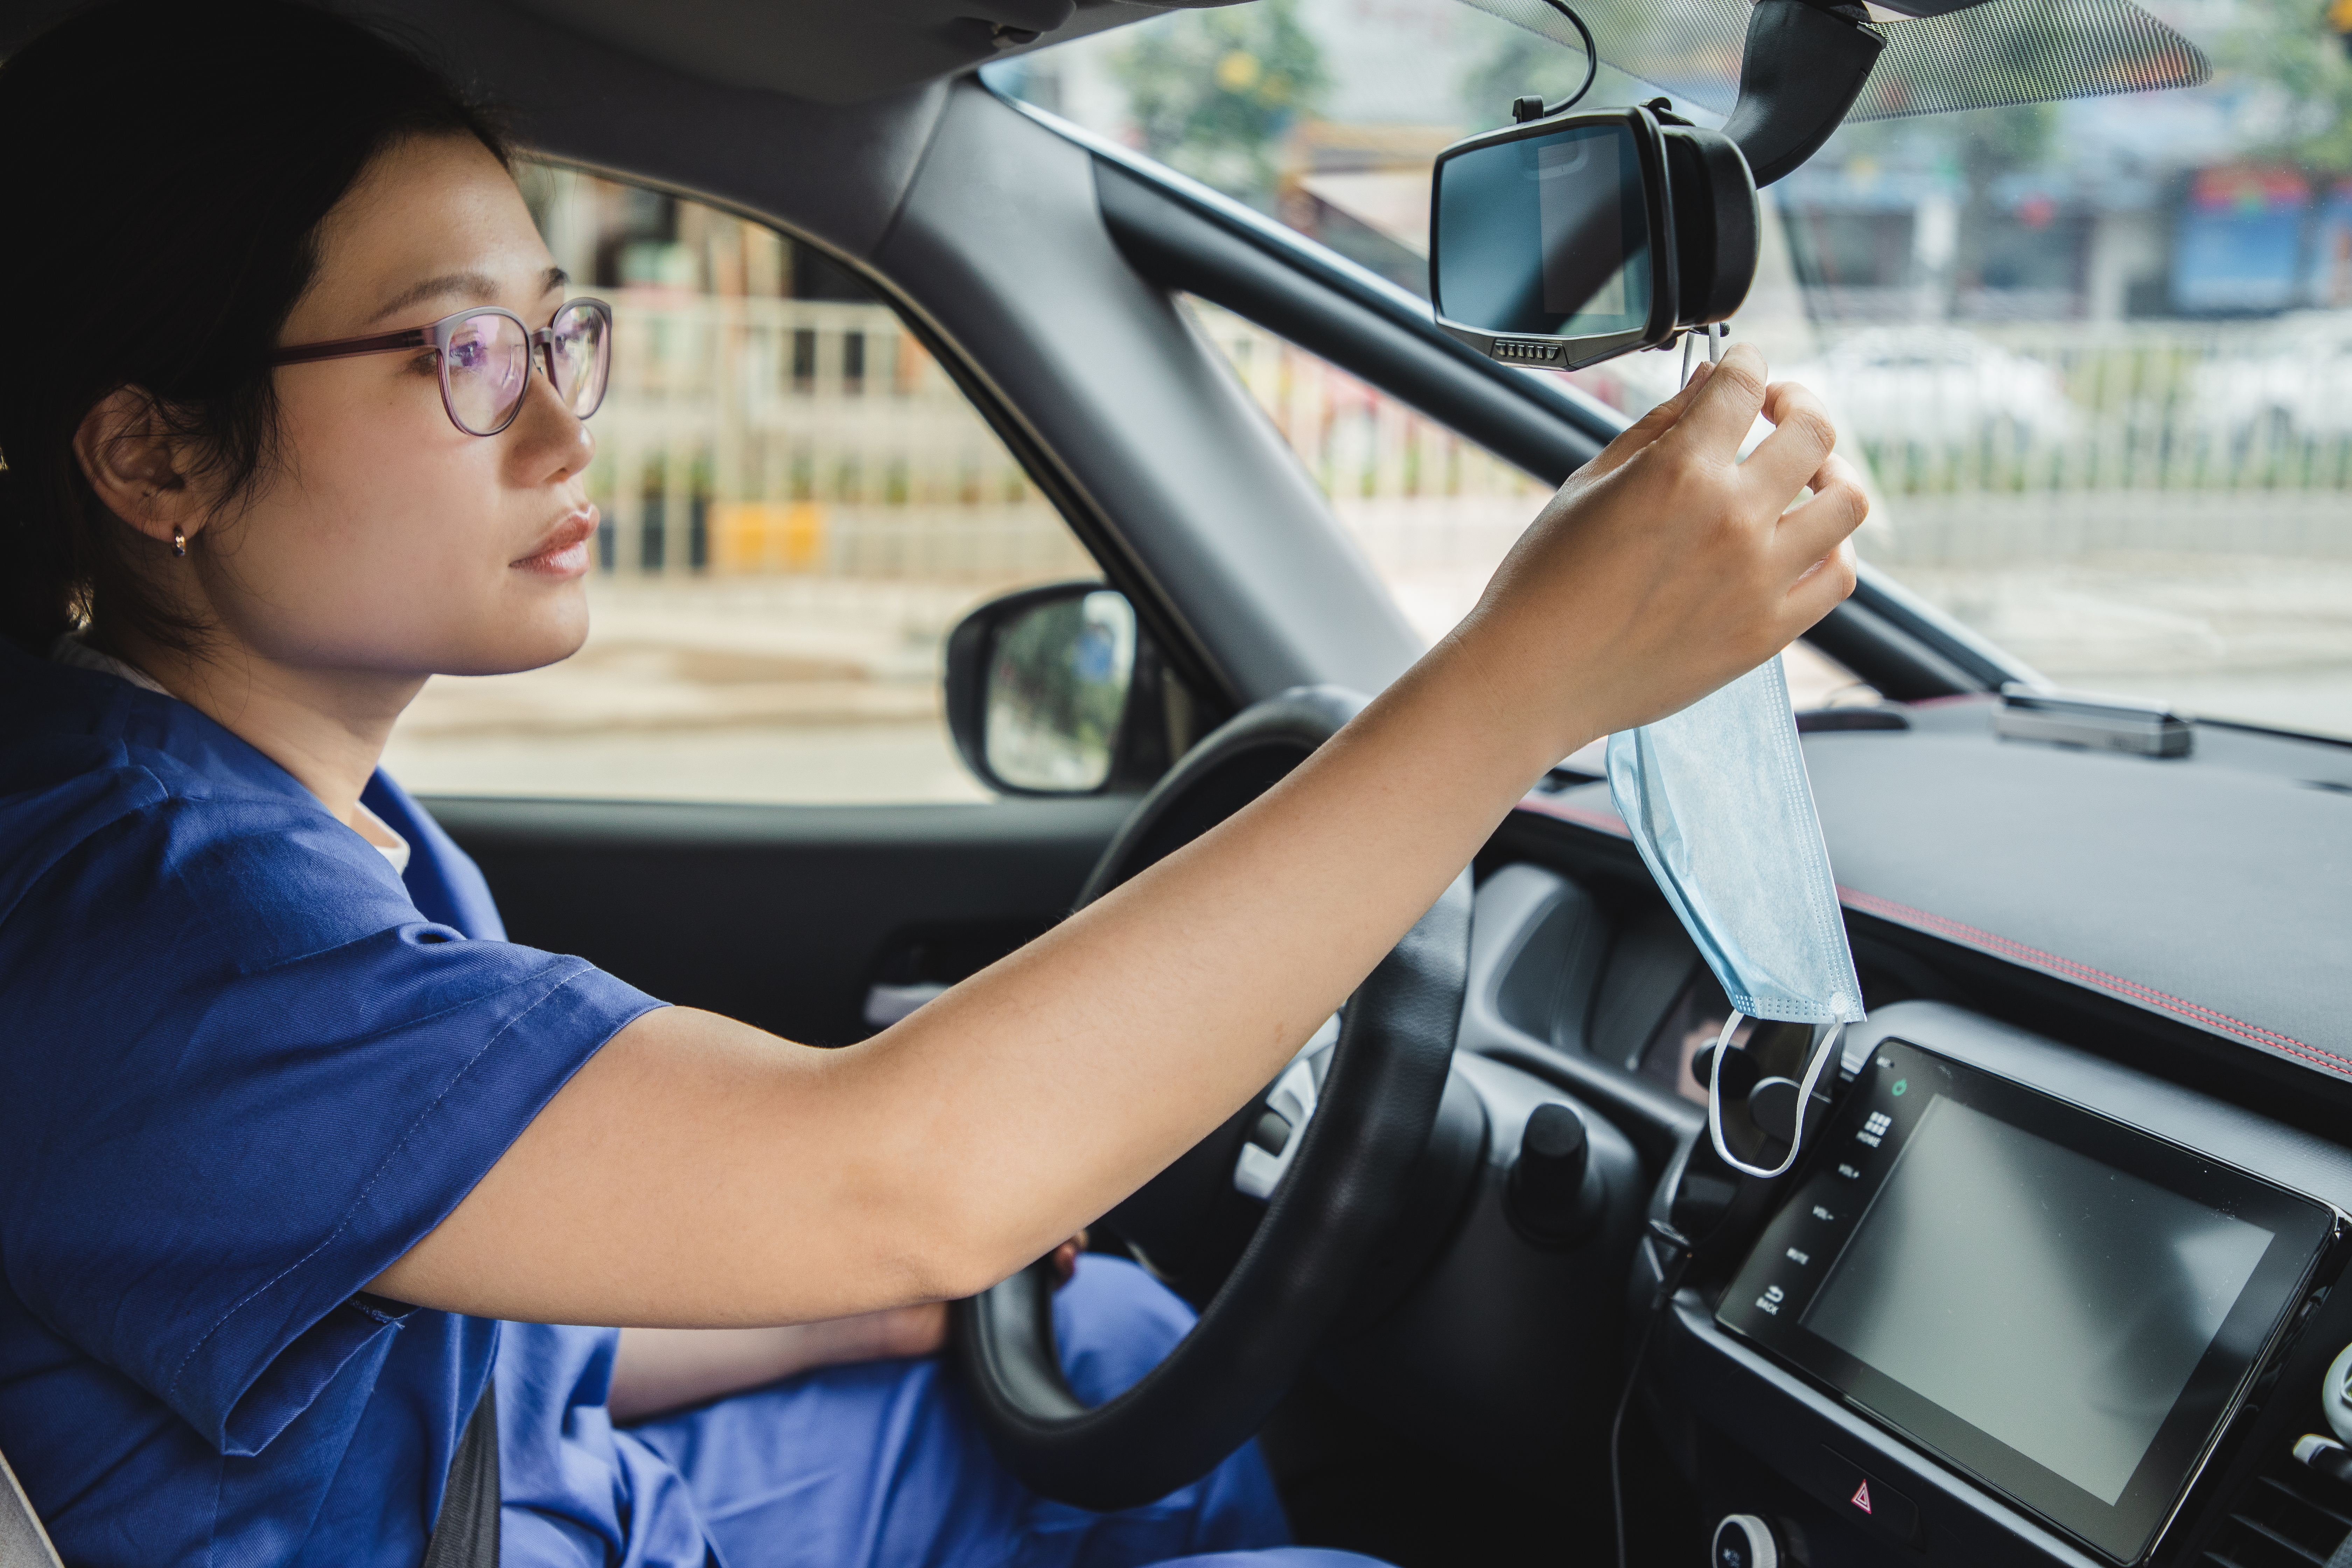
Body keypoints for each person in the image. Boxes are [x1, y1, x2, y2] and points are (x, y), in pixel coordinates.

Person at [0, 1, 1865, 1563]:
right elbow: (897, 1177)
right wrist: (1530, 672)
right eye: (463, 353)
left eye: (559, 328)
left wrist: (853, 1303)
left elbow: (428, 1333)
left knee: (1103, 1335)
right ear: (156, 458)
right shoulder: (163, 942)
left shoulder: (260, 810)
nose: (573, 420)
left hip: (550, 1494)